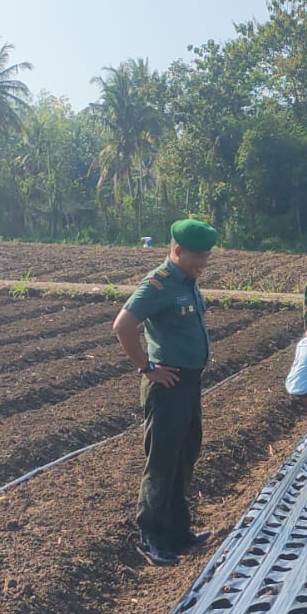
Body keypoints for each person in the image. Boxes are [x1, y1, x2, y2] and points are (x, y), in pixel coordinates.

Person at [113, 218, 218, 566]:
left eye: (207, 256)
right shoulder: (158, 284)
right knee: (161, 462)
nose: (204, 263)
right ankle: (153, 536)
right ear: (177, 250)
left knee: (185, 456)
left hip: (189, 383)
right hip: (167, 385)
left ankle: (178, 530)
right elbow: (123, 325)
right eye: (198, 257)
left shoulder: (187, 281)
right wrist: (146, 367)